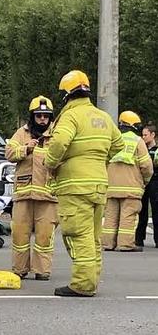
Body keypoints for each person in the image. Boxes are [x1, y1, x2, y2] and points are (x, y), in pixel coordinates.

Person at [44, 70, 124, 297]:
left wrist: (51, 163)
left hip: (75, 185)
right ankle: (91, 281)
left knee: (78, 235)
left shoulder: (71, 116)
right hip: (98, 184)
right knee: (93, 237)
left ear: (67, 95)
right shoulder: (103, 117)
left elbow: (59, 142)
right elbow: (118, 145)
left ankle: (82, 285)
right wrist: (99, 159)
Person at [5, 95, 58, 281]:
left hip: (48, 195)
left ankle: (42, 270)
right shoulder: (22, 133)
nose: (42, 119)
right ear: (32, 116)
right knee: (20, 234)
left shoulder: (58, 134)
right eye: (39, 115)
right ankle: (20, 269)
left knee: (45, 236)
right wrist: (25, 148)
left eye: (46, 115)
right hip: (24, 193)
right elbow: (9, 153)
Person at [102, 111, 153, 252]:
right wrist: (145, 180)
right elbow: (147, 166)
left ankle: (108, 243)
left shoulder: (112, 140)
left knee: (111, 217)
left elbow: (104, 162)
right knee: (128, 216)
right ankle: (125, 244)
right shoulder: (137, 141)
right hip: (131, 187)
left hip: (111, 187)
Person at [136, 122, 158, 247]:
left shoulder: (157, 150)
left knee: (156, 211)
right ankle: (139, 239)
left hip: (155, 181)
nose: (143, 137)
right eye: (142, 135)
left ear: (153, 135)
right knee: (141, 210)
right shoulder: (141, 149)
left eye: (146, 135)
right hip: (143, 182)